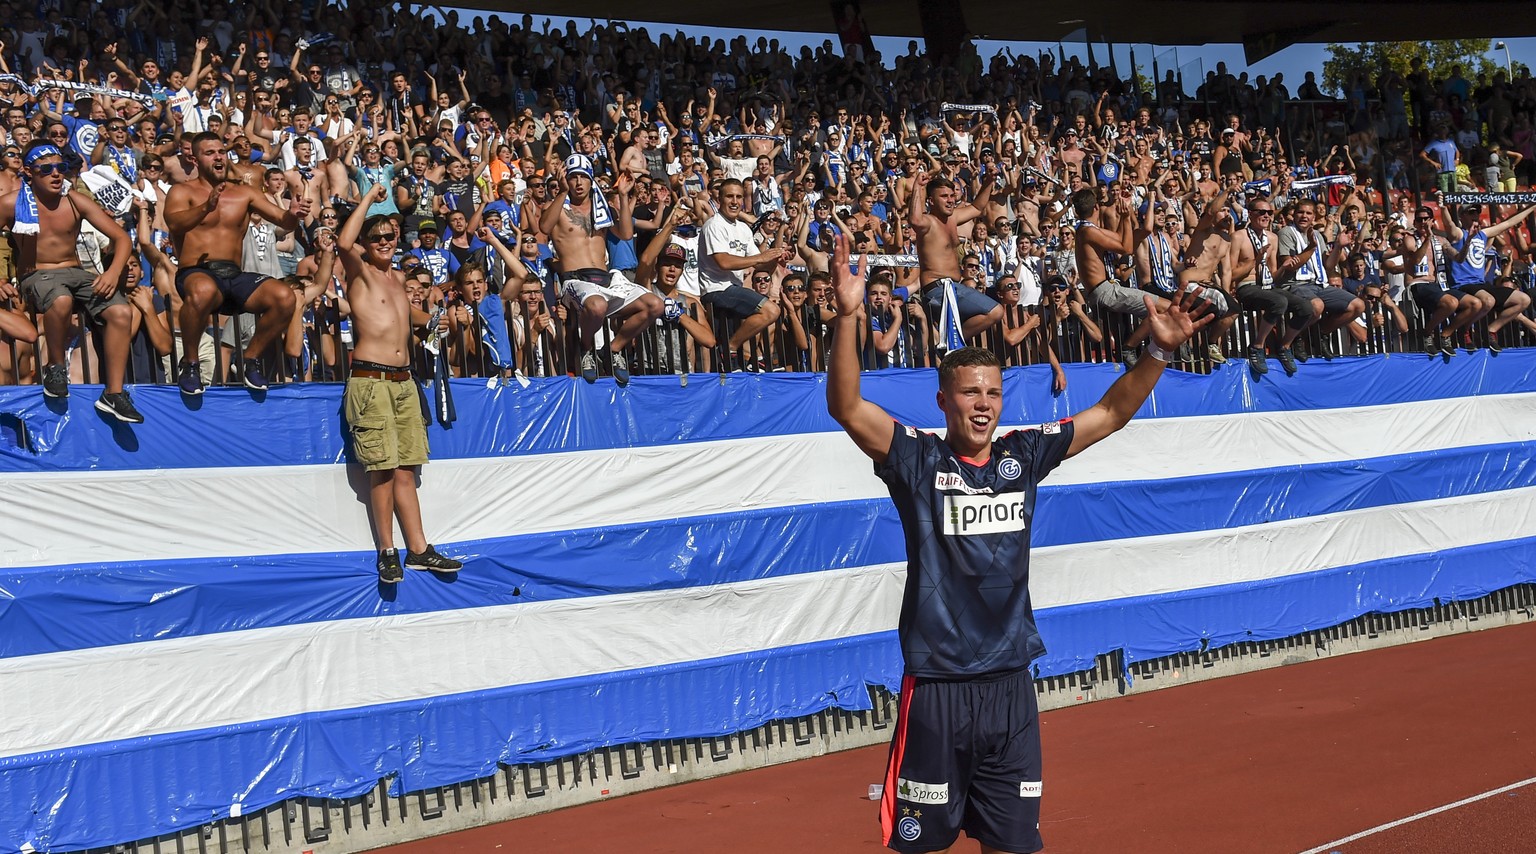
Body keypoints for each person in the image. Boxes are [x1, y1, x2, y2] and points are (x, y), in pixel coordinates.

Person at [825, 231, 1210, 854]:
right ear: (944, 400)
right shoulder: (916, 460)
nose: (984, 404)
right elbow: (846, 404)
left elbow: (1110, 414)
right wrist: (848, 318)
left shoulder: (1023, 454)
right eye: (971, 393)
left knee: (1015, 846)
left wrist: (1157, 354)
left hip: (1011, 686)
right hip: (939, 687)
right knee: (920, 847)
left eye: (993, 393)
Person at [335, 184, 464, 582]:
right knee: (383, 471)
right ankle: (387, 550)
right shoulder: (361, 274)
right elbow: (343, 242)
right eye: (377, 238)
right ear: (368, 244)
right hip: (371, 381)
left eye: (391, 235)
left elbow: (416, 319)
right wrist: (370, 200)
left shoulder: (397, 281)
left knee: (407, 469)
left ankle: (419, 549)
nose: (385, 242)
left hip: (405, 383)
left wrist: (443, 318)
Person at [0, 142, 140, 420]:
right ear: (29, 172)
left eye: (61, 168)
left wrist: (111, 274)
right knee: (61, 299)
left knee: (122, 311)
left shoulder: (76, 200)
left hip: (76, 272)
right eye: (46, 169)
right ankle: (54, 368)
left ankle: (113, 394)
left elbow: (122, 238)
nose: (56, 174)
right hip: (37, 274)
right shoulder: (10, 203)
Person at [163, 131, 311, 394]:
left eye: (221, 151)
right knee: (204, 290)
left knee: (284, 297)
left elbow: (283, 221)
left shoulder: (245, 193)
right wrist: (204, 208)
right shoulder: (181, 190)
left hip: (233, 274)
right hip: (195, 271)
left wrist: (293, 214)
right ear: (195, 160)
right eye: (209, 153)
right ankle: (191, 363)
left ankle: (251, 360)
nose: (218, 157)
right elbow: (174, 223)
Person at [542, 153, 663, 384]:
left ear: (591, 180)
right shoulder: (558, 206)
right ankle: (587, 348)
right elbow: (544, 226)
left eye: (583, 177)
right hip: (575, 281)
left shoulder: (602, 208)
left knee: (655, 304)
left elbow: (626, 233)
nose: (578, 182)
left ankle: (612, 350)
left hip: (605, 279)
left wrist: (623, 196)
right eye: (573, 177)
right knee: (597, 305)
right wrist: (562, 192)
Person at [909, 170, 1004, 339]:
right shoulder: (928, 222)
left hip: (953, 288)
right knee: (995, 311)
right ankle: (950, 341)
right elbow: (915, 220)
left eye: (952, 196)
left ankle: (951, 344)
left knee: (988, 315)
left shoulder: (953, 218)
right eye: (944, 196)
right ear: (931, 201)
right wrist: (917, 186)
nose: (950, 200)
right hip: (938, 290)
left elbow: (977, 208)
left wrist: (989, 181)